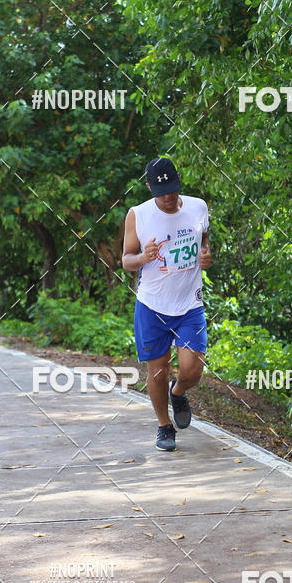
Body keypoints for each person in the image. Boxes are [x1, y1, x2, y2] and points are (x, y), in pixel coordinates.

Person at [122, 157, 212, 450]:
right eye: (162, 193)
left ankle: (179, 391)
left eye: (173, 190)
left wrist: (206, 254)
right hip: (152, 305)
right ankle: (164, 426)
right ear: (149, 187)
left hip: (189, 303)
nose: (169, 197)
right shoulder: (138, 215)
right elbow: (126, 260)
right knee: (157, 370)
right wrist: (143, 258)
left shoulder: (198, 206)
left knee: (192, 370)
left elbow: (204, 239)